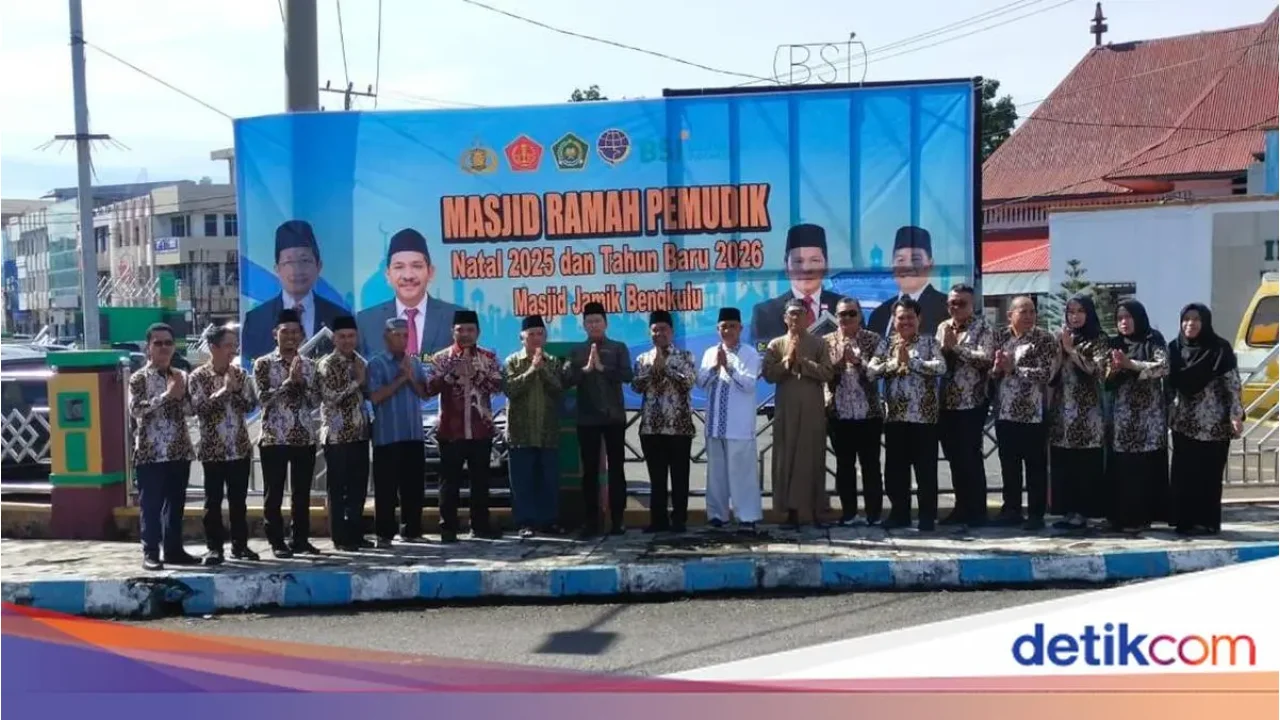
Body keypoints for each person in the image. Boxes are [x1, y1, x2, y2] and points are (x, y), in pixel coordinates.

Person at [868, 298, 946, 530]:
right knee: (895, 472)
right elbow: (871, 371)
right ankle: (899, 514)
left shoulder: (929, 343)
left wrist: (912, 361)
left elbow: (941, 367)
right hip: (896, 420)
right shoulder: (886, 344)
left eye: (910, 317)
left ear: (919, 319)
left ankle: (926, 517)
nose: (905, 322)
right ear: (894, 320)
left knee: (926, 471)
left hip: (924, 419)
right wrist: (894, 363)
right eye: (901, 317)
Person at [426, 310, 503, 542]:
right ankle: (447, 529)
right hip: (451, 430)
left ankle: (479, 526)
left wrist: (476, 374)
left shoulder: (488, 357)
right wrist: (450, 376)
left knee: (480, 481)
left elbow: (498, 386)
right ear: (453, 332)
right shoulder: (441, 358)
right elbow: (429, 388)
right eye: (461, 330)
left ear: (478, 332)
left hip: (481, 428)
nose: (466, 335)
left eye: (470, 330)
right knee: (449, 482)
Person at [1168, 303, 1244, 536]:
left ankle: (1207, 522)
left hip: (1215, 425)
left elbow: (1233, 385)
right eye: (1186, 319)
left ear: (1205, 322)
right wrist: (1168, 409)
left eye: (1196, 319)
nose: (1190, 324)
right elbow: (1168, 385)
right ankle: (1185, 521)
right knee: (1184, 474)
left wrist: (1236, 415)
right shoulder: (1174, 348)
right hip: (1184, 423)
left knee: (1209, 475)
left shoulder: (1219, 349)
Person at [129, 323, 199, 571]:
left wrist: (182, 396)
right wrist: (166, 396)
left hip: (179, 449)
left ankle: (173, 550)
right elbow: (136, 409)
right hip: (151, 451)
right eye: (158, 343)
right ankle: (150, 552)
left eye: (168, 343)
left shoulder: (181, 375)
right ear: (148, 348)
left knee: (176, 504)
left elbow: (192, 411)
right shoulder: (139, 378)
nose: (164, 348)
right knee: (151, 505)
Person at [253, 308, 322, 557]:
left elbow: (315, 401)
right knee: (274, 493)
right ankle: (276, 542)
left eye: (295, 332)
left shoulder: (310, 366)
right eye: (285, 332)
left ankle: (300, 539)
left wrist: (301, 384)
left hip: (303, 436)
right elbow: (262, 400)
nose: (291, 337)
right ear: (275, 334)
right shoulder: (263, 364)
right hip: (274, 437)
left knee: (302, 493)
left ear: (302, 335)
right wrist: (287, 383)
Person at [188, 324, 259, 564]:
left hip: (238, 447)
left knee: (239, 502)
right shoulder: (198, 377)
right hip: (213, 450)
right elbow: (199, 409)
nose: (233, 350)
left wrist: (236, 392)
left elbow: (251, 405)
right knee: (213, 502)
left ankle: (240, 546)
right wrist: (224, 392)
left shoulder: (240, 374)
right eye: (228, 345)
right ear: (213, 347)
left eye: (234, 345)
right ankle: (214, 548)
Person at [763, 298, 834, 528]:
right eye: (791, 314)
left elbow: (827, 373)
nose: (795, 318)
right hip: (786, 410)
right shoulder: (775, 345)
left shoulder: (819, 344)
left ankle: (812, 509)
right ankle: (789, 511)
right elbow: (769, 374)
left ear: (808, 317)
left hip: (812, 411)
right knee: (787, 458)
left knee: (811, 457)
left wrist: (803, 362)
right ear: (785, 318)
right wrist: (786, 362)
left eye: (800, 314)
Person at [564, 301, 634, 536]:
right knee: (590, 472)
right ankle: (591, 521)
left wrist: (602, 368)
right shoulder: (576, 351)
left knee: (617, 470)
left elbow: (627, 375)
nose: (594, 325)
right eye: (590, 321)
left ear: (605, 324)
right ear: (584, 325)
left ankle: (617, 521)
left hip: (614, 418)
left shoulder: (618, 347)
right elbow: (565, 380)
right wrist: (584, 370)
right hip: (587, 419)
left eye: (598, 321)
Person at [990, 296, 1056, 531]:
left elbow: (1048, 373)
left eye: (1032, 311)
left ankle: (1036, 514)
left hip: (1033, 413)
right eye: (1023, 311)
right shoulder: (1000, 337)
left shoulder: (1044, 338)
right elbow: (991, 372)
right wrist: (997, 369)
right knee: (1009, 465)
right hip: (1005, 412)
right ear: (1010, 315)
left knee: (1035, 466)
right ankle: (1012, 510)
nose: (1029, 316)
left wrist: (1015, 369)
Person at [1105, 299, 1170, 532]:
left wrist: (1130, 364)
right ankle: (1120, 517)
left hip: (1147, 419)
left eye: (1128, 317)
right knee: (1123, 469)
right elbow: (1104, 378)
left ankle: (1142, 518)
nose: (1124, 322)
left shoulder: (1153, 339)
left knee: (1144, 470)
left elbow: (1163, 367)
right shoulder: (1114, 344)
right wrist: (1112, 371)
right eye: (1120, 318)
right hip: (1121, 417)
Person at [242, 220, 348, 362]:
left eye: (305, 261)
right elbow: (250, 370)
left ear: (319, 266)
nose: (297, 270)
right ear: (277, 269)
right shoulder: (256, 320)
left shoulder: (340, 318)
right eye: (289, 262)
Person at [696, 308, 763, 531]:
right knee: (716, 474)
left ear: (740, 329)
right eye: (724, 326)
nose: (728, 330)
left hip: (739, 426)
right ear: (718, 329)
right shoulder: (709, 353)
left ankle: (747, 517)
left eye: (732, 326)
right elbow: (701, 382)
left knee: (743, 473)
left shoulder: (749, 353)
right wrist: (716, 366)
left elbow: (749, 384)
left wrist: (729, 367)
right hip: (715, 425)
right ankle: (717, 515)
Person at [631, 310, 697, 533]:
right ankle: (658, 521)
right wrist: (653, 369)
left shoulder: (685, 356)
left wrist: (666, 367)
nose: (659, 333)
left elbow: (688, 383)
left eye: (663, 329)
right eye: (655, 330)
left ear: (672, 332)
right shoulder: (642, 359)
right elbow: (636, 386)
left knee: (680, 476)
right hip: (651, 427)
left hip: (679, 426)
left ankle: (679, 520)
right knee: (657, 478)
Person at [935, 284, 995, 528]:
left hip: (971, 402)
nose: (956, 307)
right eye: (952, 303)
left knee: (970, 457)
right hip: (946, 402)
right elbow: (939, 358)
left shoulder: (983, 327)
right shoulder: (943, 327)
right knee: (954, 458)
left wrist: (956, 348)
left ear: (972, 304)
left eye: (961, 303)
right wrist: (944, 350)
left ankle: (977, 510)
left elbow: (986, 359)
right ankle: (961, 508)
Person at [366, 317, 430, 546]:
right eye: (397, 335)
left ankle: (412, 530)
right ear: (386, 337)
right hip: (388, 436)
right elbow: (375, 396)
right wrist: (400, 378)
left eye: (405, 336)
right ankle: (384, 534)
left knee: (413, 487)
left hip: (413, 433)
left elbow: (424, 394)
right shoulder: (376, 363)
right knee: (386, 489)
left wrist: (410, 377)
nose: (402, 340)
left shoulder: (414, 362)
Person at [1047, 294, 1109, 530]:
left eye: (1080, 311)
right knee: (1065, 466)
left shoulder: (1098, 339)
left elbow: (1097, 370)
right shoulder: (1062, 339)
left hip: (1087, 415)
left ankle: (1086, 512)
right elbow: (1051, 376)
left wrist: (1071, 350)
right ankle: (1067, 511)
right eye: (1070, 312)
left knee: (1086, 466)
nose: (1075, 316)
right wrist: (1060, 351)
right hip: (1062, 413)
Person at [356, 228, 465, 360]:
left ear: (430, 272)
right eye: (399, 267)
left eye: (417, 266)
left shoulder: (455, 318)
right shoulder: (366, 322)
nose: (408, 276)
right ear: (388, 275)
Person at [823, 297, 885, 526]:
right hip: (839, 414)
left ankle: (874, 514)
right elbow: (824, 376)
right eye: (842, 314)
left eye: (851, 313)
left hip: (868, 414)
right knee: (844, 466)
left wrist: (859, 363)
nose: (846, 318)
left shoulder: (873, 340)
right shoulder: (827, 342)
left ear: (859, 315)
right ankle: (849, 513)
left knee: (871, 465)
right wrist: (839, 364)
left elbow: (877, 373)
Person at [503, 315, 564, 538]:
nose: (536, 338)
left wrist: (542, 369)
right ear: (522, 338)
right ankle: (525, 523)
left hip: (547, 431)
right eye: (531, 335)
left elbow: (559, 389)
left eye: (540, 334)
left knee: (548, 479)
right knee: (522, 482)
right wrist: (531, 370)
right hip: (521, 432)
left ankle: (549, 521)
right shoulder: (512, 362)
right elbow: (510, 389)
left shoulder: (554, 362)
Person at [316, 315, 372, 551]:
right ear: (334, 339)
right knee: (338, 488)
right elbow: (330, 398)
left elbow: (367, 394)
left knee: (359, 487)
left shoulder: (361, 361)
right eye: (342, 337)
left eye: (351, 336)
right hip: (337, 435)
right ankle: (340, 537)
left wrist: (363, 382)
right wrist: (357, 381)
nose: (347, 341)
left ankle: (356, 533)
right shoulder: (327, 364)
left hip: (359, 433)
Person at [750, 223, 844, 347]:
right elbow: (763, 359)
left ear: (826, 265)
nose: (806, 269)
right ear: (786, 266)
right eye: (798, 261)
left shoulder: (844, 309)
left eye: (815, 260)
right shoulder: (765, 313)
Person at [866, 226, 950, 338]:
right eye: (900, 260)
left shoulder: (946, 309)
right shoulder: (879, 314)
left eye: (915, 259)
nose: (908, 267)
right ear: (892, 265)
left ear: (931, 264)